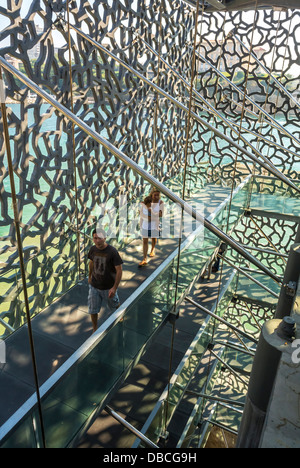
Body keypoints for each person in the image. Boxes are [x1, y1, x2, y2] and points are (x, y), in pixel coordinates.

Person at [88, 228, 123, 332]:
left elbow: (119, 270)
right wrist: (89, 276)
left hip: (108, 287)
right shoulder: (92, 249)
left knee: (115, 304)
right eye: (95, 238)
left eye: (99, 238)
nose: (97, 240)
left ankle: (120, 315)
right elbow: (91, 262)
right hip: (94, 286)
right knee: (93, 310)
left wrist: (114, 288)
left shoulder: (112, 251)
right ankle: (95, 329)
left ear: (105, 238)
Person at [139, 189, 164, 267]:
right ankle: (144, 258)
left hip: (155, 226)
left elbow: (161, 214)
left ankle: (152, 249)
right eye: (155, 195)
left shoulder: (161, 203)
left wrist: (151, 215)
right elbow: (141, 214)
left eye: (158, 195)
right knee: (145, 241)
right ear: (151, 194)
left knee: (154, 238)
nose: (156, 197)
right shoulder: (145, 202)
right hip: (145, 226)